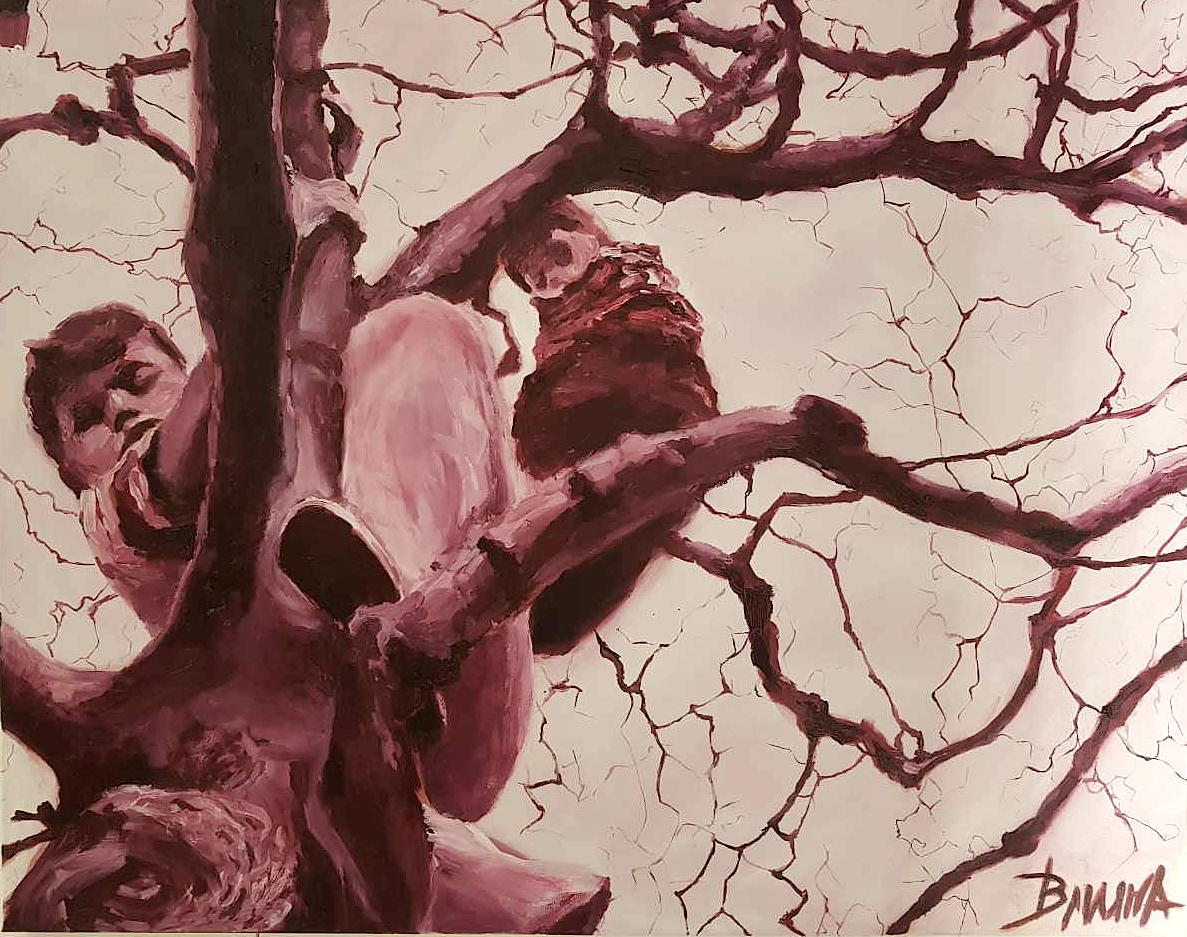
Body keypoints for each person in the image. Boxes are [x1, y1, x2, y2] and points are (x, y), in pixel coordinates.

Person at [23, 296, 608, 932]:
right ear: (71, 468)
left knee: (414, 328)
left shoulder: (304, 426)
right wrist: (261, 308)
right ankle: (483, 885)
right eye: (87, 419)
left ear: (183, 373)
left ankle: (403, 615)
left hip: (447, 670)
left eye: (136, 379)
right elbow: (178, 460)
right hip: (325, 751)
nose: (120, 409)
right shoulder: (113, 514)